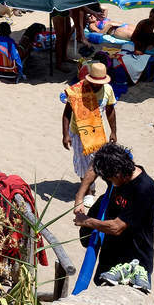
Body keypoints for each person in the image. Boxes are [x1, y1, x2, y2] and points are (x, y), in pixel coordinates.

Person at [74, 143, 154, 289]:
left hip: (134, 260)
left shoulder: (144, 189)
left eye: (110, 179)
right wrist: (79, 197)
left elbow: (116, 227)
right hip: (110, 253)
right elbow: (95, 165)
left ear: (118, 174)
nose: (110, 182)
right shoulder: (119, 170)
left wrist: (86, 221)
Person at [62, 62, 117, 204]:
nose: (98, 85)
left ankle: (93, 185)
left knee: (99, 162)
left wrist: (113, 132)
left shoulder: (108, 90)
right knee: (82, 163)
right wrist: (65, 134)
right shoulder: (77, 90)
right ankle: (88, 191)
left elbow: (110, 111)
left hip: (98, 132)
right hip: (79, 132)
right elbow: (67, 113)